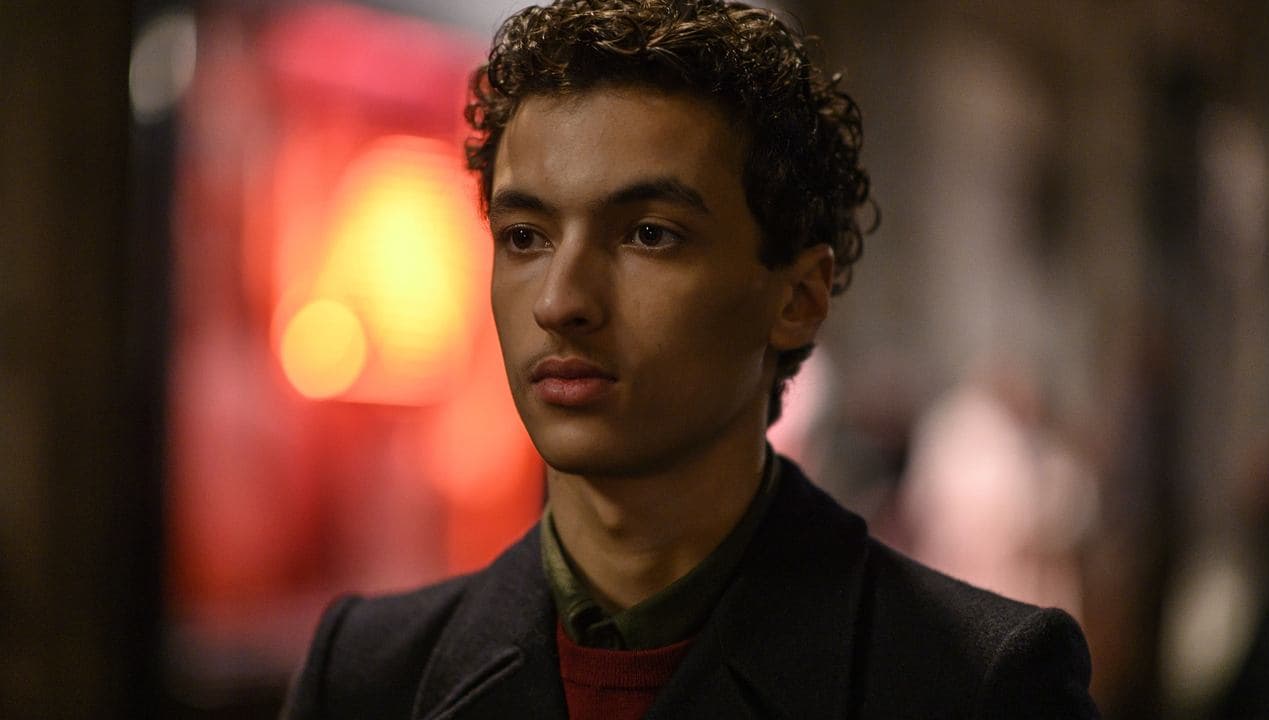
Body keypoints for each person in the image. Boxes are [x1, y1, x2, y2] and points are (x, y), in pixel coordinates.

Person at [282, 1, 1100, 717]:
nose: (560, 301)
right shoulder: (367, 674)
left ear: (797, 297)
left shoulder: (977, 684)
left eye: (649, 234)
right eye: (525, 236)